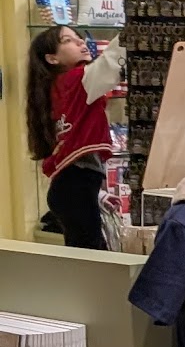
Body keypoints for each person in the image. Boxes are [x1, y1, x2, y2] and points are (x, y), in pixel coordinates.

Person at [28, 25, 124, 249]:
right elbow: (112, 62)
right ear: (52, 58)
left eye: (79, 37)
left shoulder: (57, 87)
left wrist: (97, 195)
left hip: (70, 186)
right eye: (68, 40)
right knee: (93, 257)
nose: (81, 42)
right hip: (76, 186)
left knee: (86, 254)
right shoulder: (78, 80)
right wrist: (135, 26)